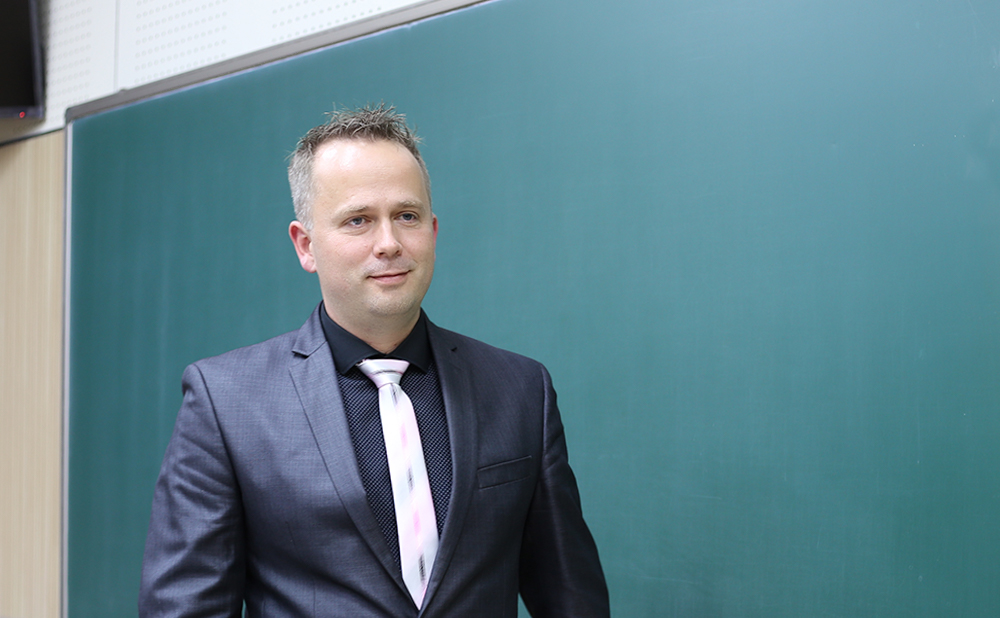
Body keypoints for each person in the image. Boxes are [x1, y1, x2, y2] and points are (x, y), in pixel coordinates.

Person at [138, 104, 609, 617]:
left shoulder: (521, 389)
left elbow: (572, 600)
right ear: (306, 246)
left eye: (406, 216)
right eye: (358, 220)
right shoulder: (226, 403)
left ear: (433, 231)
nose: (389, 243)